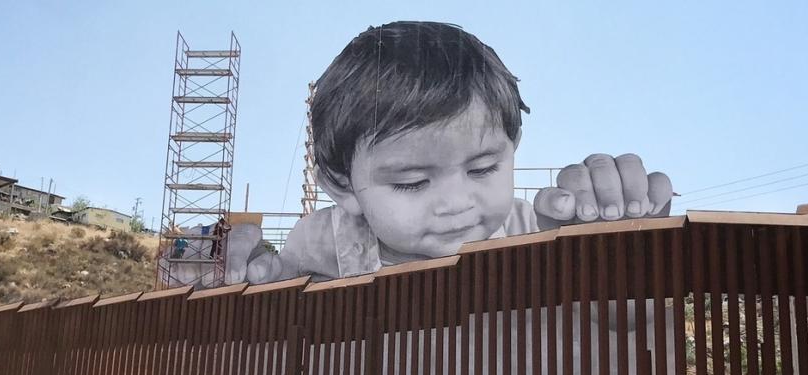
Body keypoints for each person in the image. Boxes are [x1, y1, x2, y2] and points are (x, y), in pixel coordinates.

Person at [233, 21, 674, 284]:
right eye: (412, 182)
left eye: (483, 169)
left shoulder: (536, 233)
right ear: (341, 184)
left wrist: (618, 261)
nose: (456, 203)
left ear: (512, 148)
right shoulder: (319, 245)